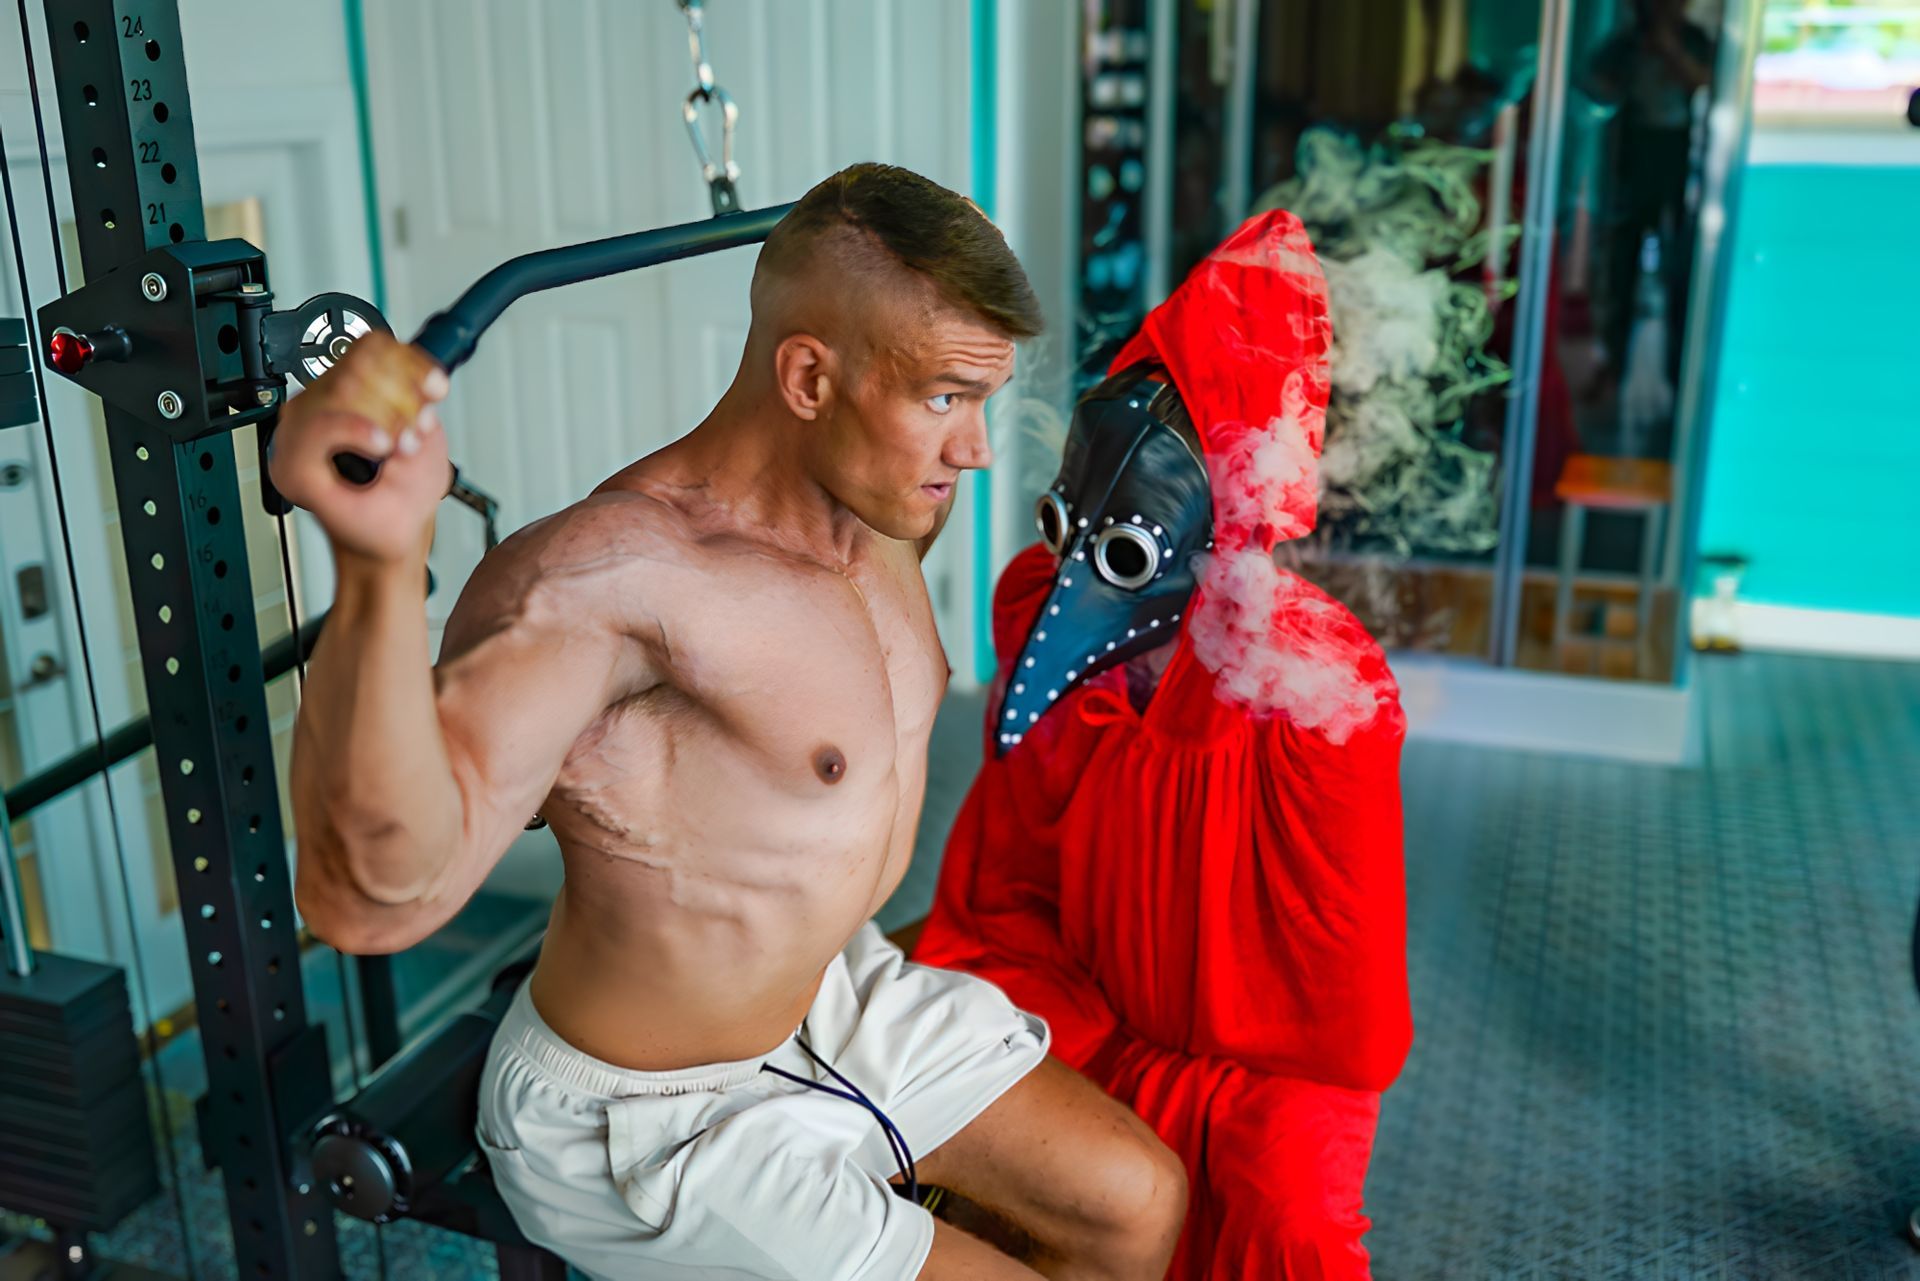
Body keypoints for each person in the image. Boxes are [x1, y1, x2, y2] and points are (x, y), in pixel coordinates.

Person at [270, 162, 1187, 1281]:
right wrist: (377, 566)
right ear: (808, 377)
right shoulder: (607, 580)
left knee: (1140, 1201)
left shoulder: (885, 513)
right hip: (646, 1120)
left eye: (982, 400)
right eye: (946, 396)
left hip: (832, 1002)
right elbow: (368, 899)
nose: (977, 447)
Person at [914, 211, 1413, 1280]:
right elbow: (1012, 879)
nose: (1065, 584)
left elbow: (1342, 1014)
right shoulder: (1032, 605)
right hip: (1071, 984)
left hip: (1272, 1063)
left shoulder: (1319, 694)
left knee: (1291, 1226)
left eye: (1129, 548)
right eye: (1064, 525)